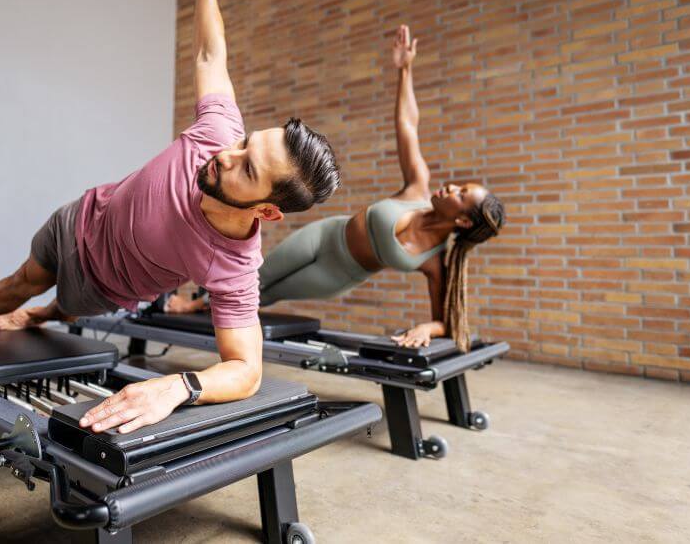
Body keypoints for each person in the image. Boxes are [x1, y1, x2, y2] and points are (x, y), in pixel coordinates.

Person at [0, 0, 340, 434]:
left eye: (247, 168)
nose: (226, 155)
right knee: (22, 280)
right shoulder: (219, 131)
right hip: (79, 217)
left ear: (266, 209)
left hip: (99, 286)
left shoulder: (235, 265)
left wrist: (179, 386)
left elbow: (247, 370)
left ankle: (41, 314)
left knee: (58, 305)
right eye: (244, 142)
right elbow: (210, 52)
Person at [166, 25, 505, 352]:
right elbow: (408, 125)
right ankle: (195, 304)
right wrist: (405, 72)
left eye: (461, 195)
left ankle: (203, 313)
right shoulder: (417, 188)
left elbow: (443, 320)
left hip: (338, 272)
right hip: (327, 234)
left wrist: (424, 329)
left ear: (462, 222)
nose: (451, 187)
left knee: (265, 295)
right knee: (260, 273)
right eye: (460, 185)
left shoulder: (434, 262)